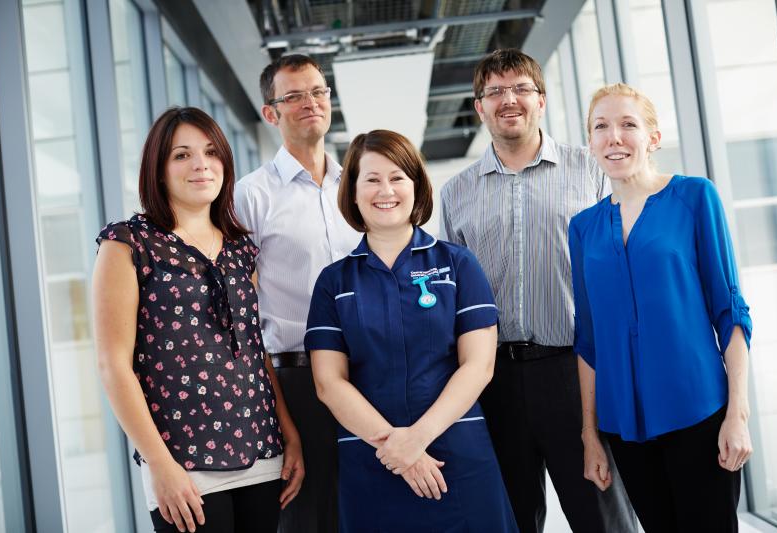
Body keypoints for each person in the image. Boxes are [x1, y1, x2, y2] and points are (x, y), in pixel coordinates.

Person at [440, 49, 636, 532]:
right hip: (493, 380)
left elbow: (621, 268)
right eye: (495, 92)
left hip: (577, 373)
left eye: (521, 88)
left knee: (602, 514)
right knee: (509, 518)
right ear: (479, 106)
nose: (509, 100)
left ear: (541, 100)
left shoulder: (589, 171)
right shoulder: (455, 193)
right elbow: (452, 301)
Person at [94, 107, 304, 533]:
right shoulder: (128, 244)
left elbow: (252, 349)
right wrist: (158, 464)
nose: (200, 164)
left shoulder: (241, 249)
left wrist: (289, 432)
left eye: (211, 152)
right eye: (181, 155)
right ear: (158, 169)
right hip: (182, 459)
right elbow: (113, 365)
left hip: (261, 449)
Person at [305, 129, 518, 532]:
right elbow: (329, 383)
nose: (385, 190)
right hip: (372, 457)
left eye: (398, 177)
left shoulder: (457, 265)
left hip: (454, 450)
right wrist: (395, 447)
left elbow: (478, 365)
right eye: (371, 179)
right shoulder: (333, 282)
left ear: (416, 186)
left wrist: (417, 439)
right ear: (351, 192)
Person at [570, 82, 753, 532]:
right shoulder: (583, 228)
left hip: (699, 411)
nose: (614, 137)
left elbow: (730, 313)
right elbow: (589, 340)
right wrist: (590, 436)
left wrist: (738, 415)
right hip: (625, 427)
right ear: (590, 143)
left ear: (652, 137)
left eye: (628, 124)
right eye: (601, 127)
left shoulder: (694, 197)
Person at [234, 54, 361, 533]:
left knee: (366, 508)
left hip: (365, 373)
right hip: (296, 380)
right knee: (307, 517)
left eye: (318, 91)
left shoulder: (356, 184)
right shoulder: (250, 196)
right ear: (271, 113)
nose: (311, 103)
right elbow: (240, 309)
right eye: (294, 96)